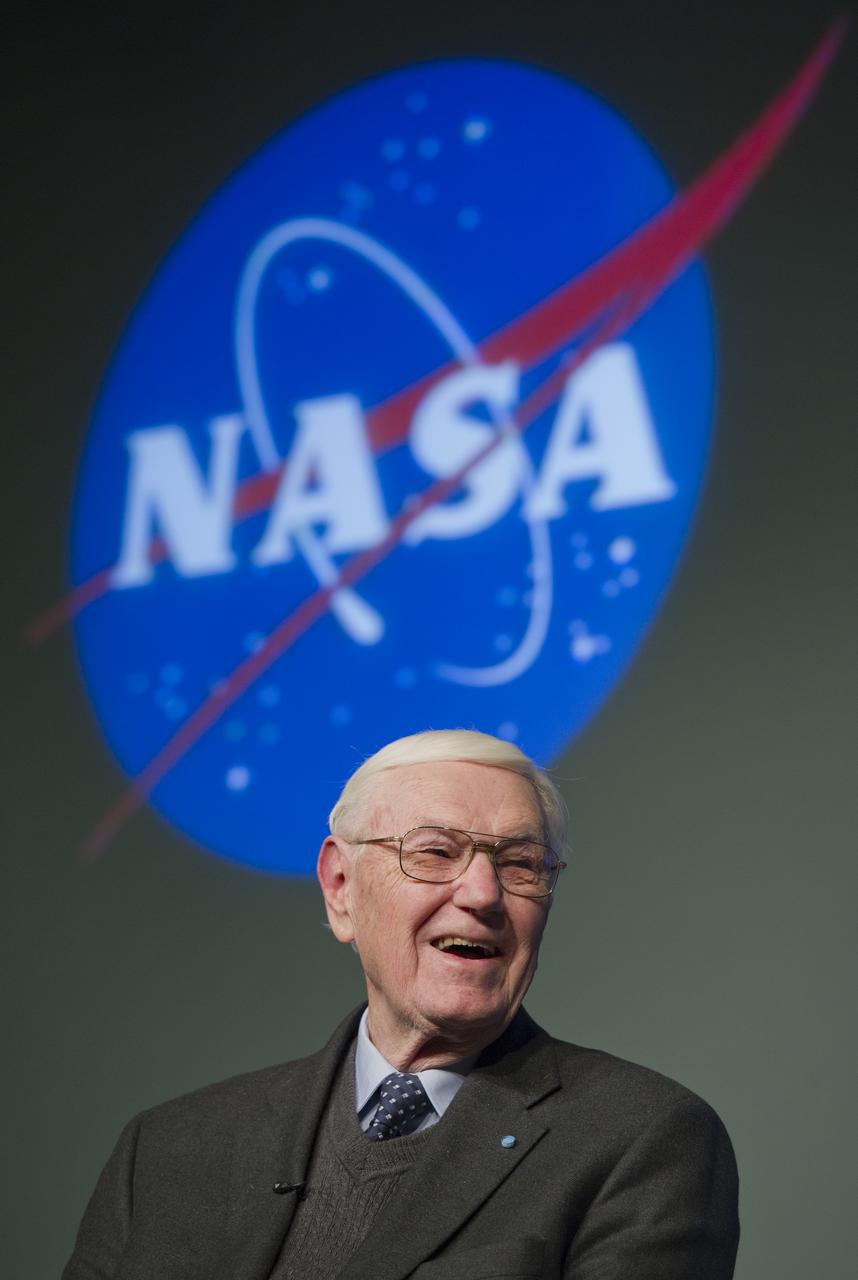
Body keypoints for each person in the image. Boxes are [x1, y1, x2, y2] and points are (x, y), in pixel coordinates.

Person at [63, 729, 739, 1279]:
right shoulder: (168, 1151)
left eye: (521, 865)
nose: (483, 894)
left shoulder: (642, 1138)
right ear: (339, 889)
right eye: (436, 853)